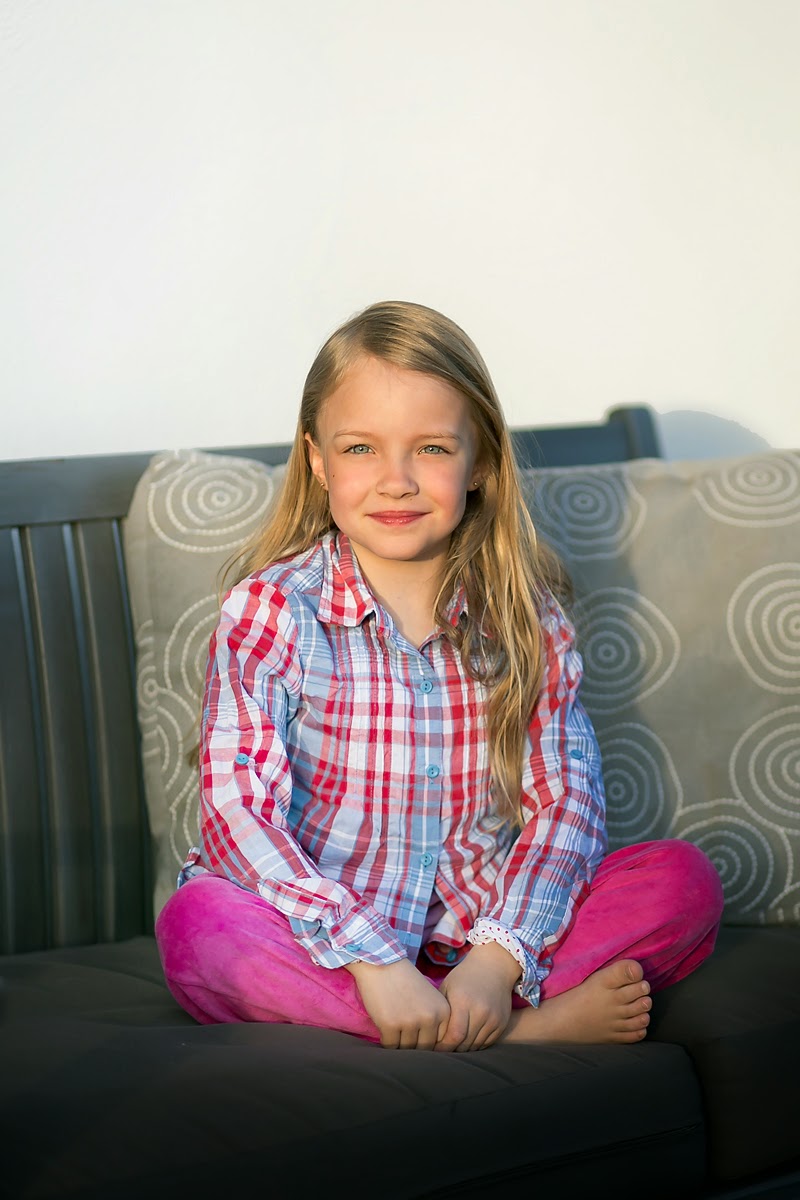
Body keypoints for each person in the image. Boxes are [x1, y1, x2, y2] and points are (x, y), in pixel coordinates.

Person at [155, 300, 723, 1052]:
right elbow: (239, 812)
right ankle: (520, 1031)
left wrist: (494, 961)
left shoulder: (525, 619)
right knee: (199, 927)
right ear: (318, 460)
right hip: (331, 946)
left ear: (479, 461)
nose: (395, 481)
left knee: (681, 880)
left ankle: (465, 1011)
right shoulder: (272, 611)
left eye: (429, 448)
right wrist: (372, 958)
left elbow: (566, 804)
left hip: (478, 940)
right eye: (361, 449)